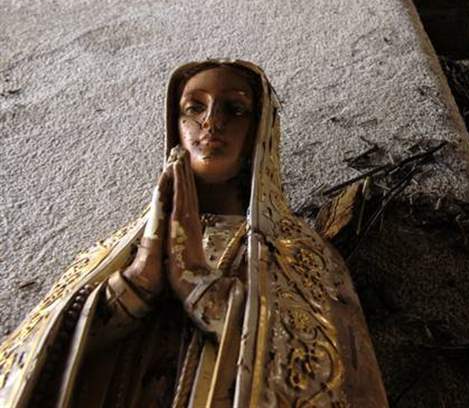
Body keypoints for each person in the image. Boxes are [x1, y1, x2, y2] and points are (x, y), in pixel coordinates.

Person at [0, 60, 388, 407]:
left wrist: (199, 284)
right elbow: (35, 358)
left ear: (260, 132)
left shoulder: (298, 254)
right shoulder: (113, 252)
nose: (210, 122)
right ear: (175, 124)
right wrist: (136, 283)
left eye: (234, 109)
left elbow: (320, 372)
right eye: (194, 108)